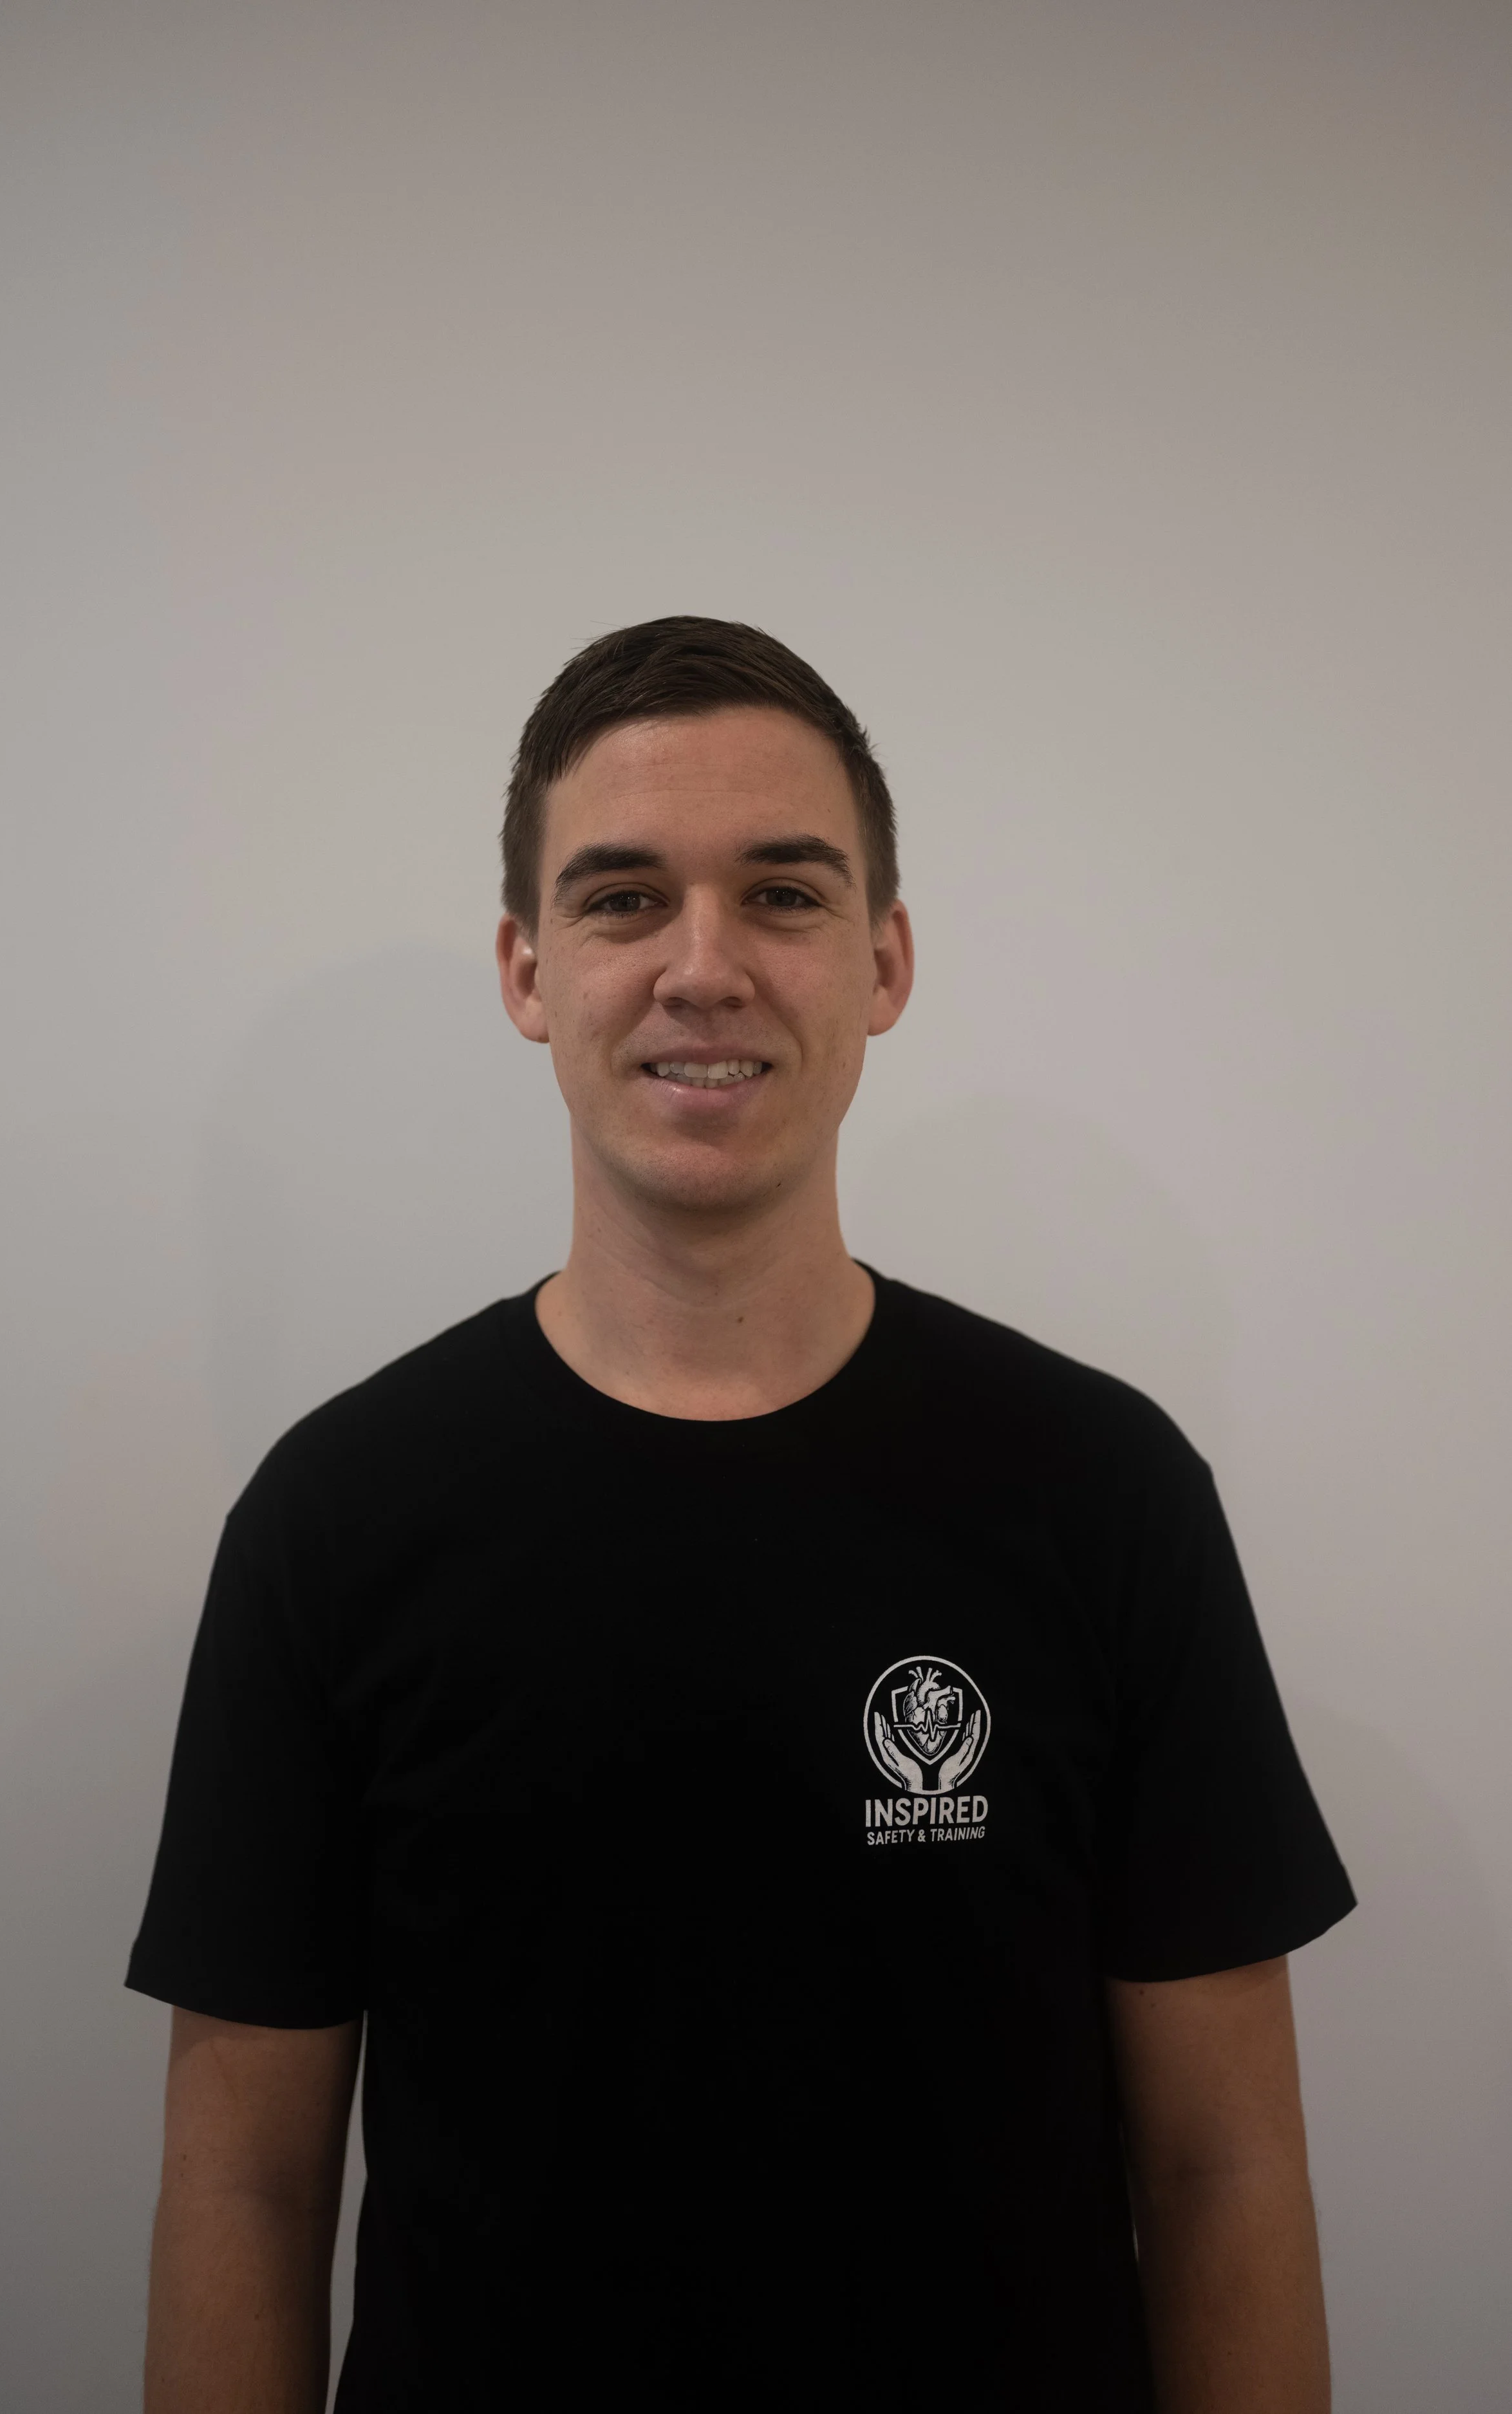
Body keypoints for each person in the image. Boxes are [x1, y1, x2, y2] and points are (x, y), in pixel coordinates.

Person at [129, 616, 1355, 2413]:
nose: (701, 965)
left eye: (780, 894)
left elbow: (1221, 2167)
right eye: (622, 898)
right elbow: (243, 2188)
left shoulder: (1103, 1494)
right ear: (526, 966)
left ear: (882, 960)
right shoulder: (335, 1519)